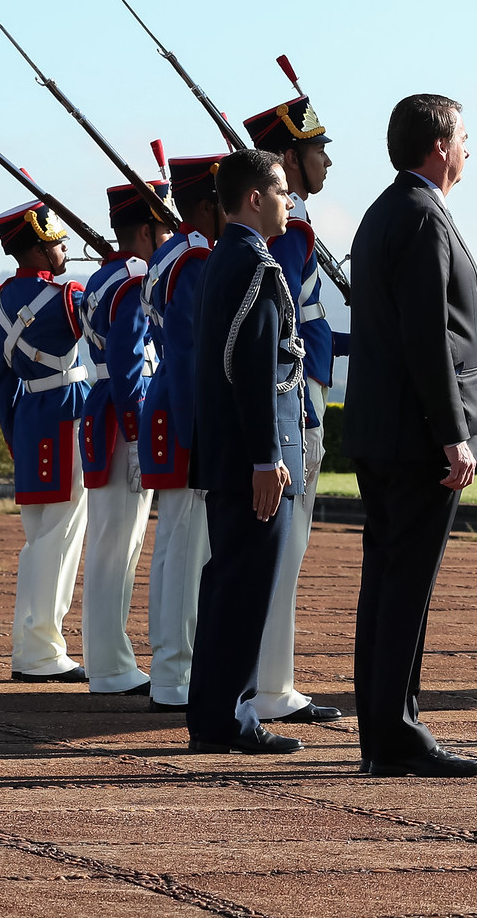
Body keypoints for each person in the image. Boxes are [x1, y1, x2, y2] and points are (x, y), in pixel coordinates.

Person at [346, 94, 477, 778]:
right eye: (463, 136)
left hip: (383, 429)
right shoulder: (424, 217)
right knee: (404, 587)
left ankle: (384, 729)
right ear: (438, 146)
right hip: (416, 436)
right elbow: (429, 337)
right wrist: (452, 434)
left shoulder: (383, 212)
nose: (468, 148)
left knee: (387, 584)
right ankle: (394, 733)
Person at [186, 148, 306, 755]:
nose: (291, 200)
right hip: (252, 457)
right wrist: (267, 458)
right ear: (254, 198)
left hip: (232, 454)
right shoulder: (254, 263)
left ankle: (215, 713)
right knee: (244, 587)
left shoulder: (225, 258)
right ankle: (228, 717)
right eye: (282, 189)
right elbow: (254, 368)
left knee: (231, 582)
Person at [241, 95, 347, 726]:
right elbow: (284, 328)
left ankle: (267, 680)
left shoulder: (294, 230)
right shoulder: (289, 235)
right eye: (316, 150)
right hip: (293, 404)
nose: (326, 160)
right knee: (285, 546)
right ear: (288, 157)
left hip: (295, 397)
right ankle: (271, 687)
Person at [76, 179, 175, 696]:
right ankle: (111, 667)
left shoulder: (101, 278)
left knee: (112, 542)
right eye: (164, 229)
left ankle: (106, 661)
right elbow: (128, 361)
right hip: (122, 417)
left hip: (105, 411)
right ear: (146, 231)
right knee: (118, 544)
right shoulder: (136, 278)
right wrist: (138, 436)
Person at [0, 200, 92, 683]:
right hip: (68, 412)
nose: (66, 248)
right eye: (58, 241)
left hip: (28, 419)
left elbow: (1, 381)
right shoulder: (68, 294)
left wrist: (15, 437)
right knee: (62, 539)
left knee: (39, 538)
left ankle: (32, 647)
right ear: (38, 248)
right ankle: (41, 651)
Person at [137, 154, 227, 713]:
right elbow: (194, 353)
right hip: (185, 410)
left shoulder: (172, 253)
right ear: (204, 205)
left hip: (169, 405)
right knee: (187, 547)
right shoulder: (194, 258)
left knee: (173, 546)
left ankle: (170, 668)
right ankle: (176, 673)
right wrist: (202, 435)